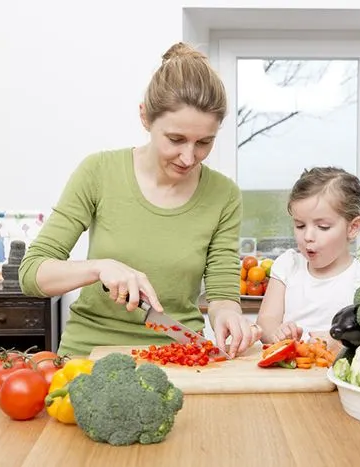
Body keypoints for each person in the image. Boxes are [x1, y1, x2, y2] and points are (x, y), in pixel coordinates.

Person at [19, 42, 259, 358]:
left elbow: (221, 294)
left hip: (180, 356)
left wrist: (229, 316)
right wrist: (99, 268)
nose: (189, 157)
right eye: (175, 140)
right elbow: (32, 274)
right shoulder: (99, 172)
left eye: (204, 143)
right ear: (145, 117)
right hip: (89, 354)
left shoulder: (223, 195)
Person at [255, 167, 360, 346]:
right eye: (300, 225)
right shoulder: (288, 265)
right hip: (290, 369)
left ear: (353, 227)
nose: (307, 236)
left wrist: (338, 342)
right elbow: (266, 320)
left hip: (335, 370)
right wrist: (277, 334)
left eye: (322, 227)